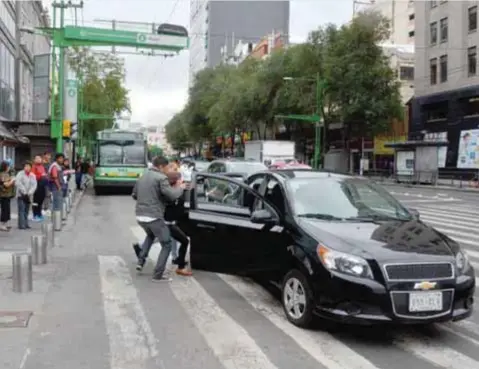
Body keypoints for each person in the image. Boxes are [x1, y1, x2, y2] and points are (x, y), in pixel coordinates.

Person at [132, 156, 184, 282]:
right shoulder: (161, 178)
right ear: (161, 167)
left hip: (140, 216)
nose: (167, 170)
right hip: (154, 216)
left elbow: (134, 195)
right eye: (166, 168)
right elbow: (172, 196)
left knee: (150, 235)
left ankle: (140, 262)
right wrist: (180, 188)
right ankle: (158, 275)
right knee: (167, 243)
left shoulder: (143, 176)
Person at [15, 161, 37, 229]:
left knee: (27, 210)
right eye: (25, 166)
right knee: (21, 210)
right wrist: (24, 192)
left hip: (29, 195)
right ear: (24, 167)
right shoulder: (20, 174)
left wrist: (29, 192)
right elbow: (18, 183)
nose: (27, 167)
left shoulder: (32, 175)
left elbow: (34, 185)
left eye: (28, 166)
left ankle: (26, 223)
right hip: (21, 195)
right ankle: (21, 225)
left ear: (31, 167)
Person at [0, 160, 15, 231]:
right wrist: (12, 180)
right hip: (4, 195)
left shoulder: (7, 173)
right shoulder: (3, 174)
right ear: (5, 167)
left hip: (7, 195)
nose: (9, 167)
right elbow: (6, 185)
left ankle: (5, 224)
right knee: (5, 210)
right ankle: (2, 225)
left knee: (7, 210)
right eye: (8, 166)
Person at [31, 155, 47, 221]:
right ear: (34, 160)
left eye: (39, 158)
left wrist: (45, 176)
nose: (38, 159)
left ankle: (39, 214)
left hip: (42, 186)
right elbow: (32, 176)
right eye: (37, 158)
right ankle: (35, 215)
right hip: (36, 186)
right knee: (35, 201)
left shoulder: (42, 166)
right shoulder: (33, 167)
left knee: (41, 200)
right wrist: (41, 176)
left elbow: (45, 174)